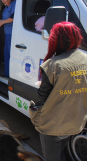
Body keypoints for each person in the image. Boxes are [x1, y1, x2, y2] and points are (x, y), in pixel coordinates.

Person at [29, 22, 87, 161]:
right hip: (75, 122)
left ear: (56, 40)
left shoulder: (53, 65)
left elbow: (42, 97)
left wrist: (43, 84)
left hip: (53, 125)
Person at [0, 0, 16, 77]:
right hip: (6, 33)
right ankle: (6, 73)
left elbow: (13, 18)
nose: (3, 1)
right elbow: (5, 19)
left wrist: (2, 22)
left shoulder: (14, 4)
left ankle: (12, 74)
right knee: (6, 54)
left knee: (11, 54)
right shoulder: (5, 7)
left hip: (12, 33)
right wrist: (1, 21)